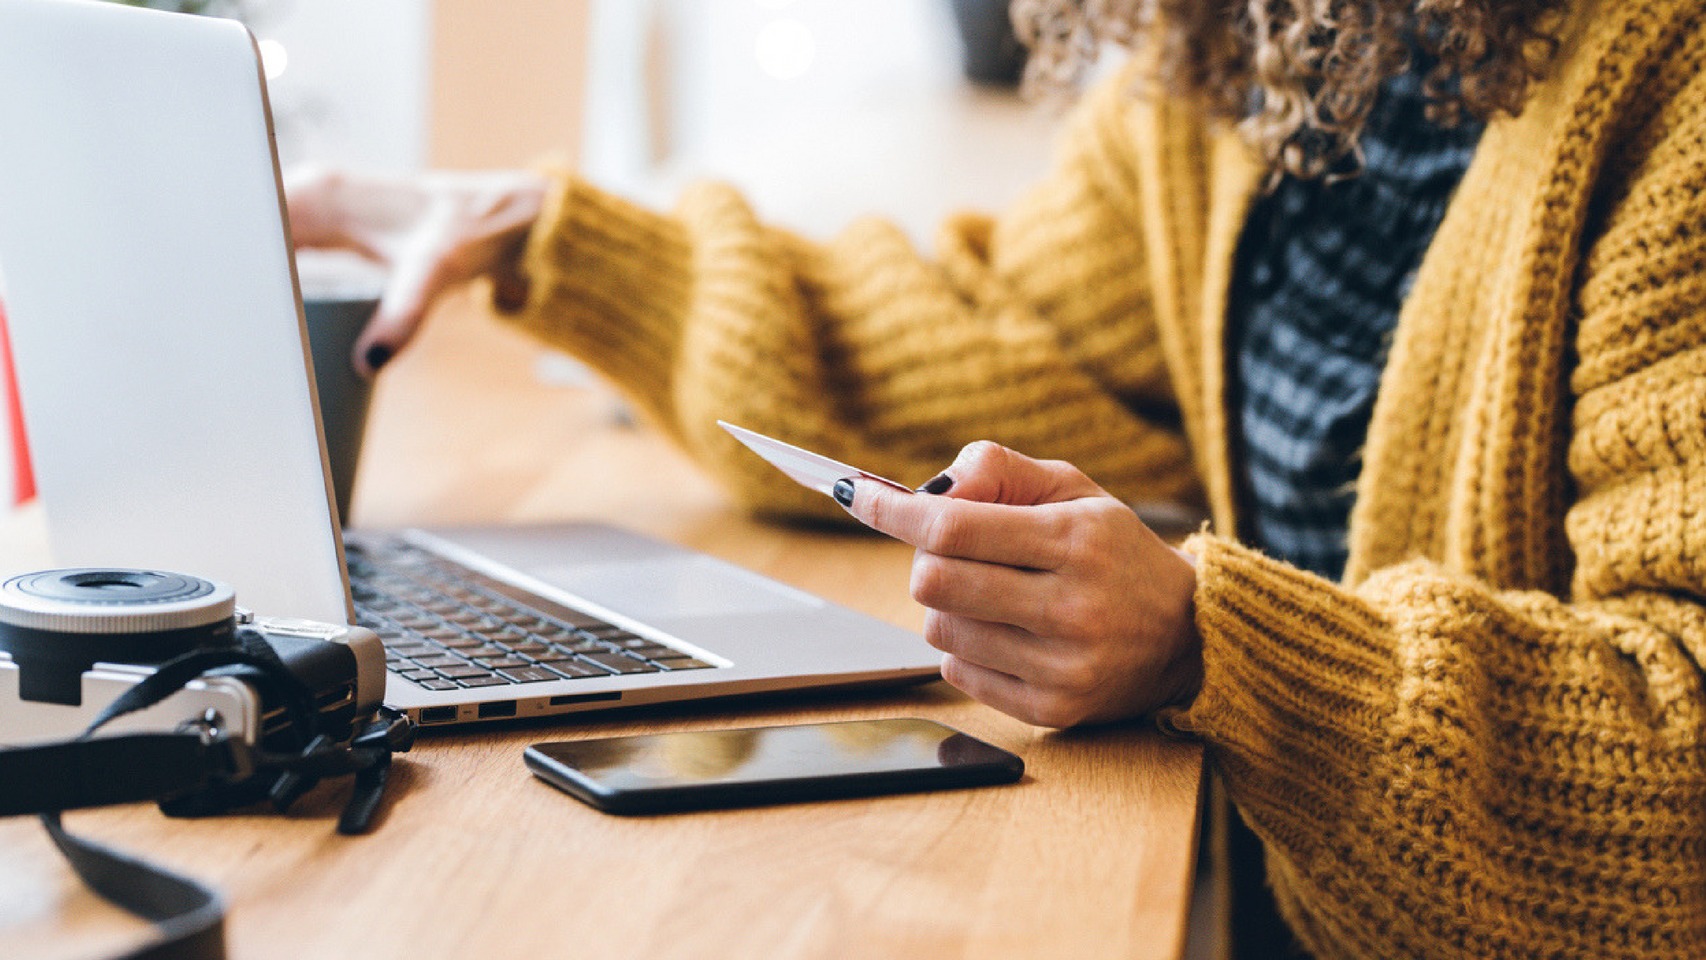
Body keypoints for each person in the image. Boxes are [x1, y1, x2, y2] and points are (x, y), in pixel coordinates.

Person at [286, 0, 1706, 955]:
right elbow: (1005, 344)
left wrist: (1215, 648)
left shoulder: (1672, 93)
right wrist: (555, 240)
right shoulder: (1255, 46)